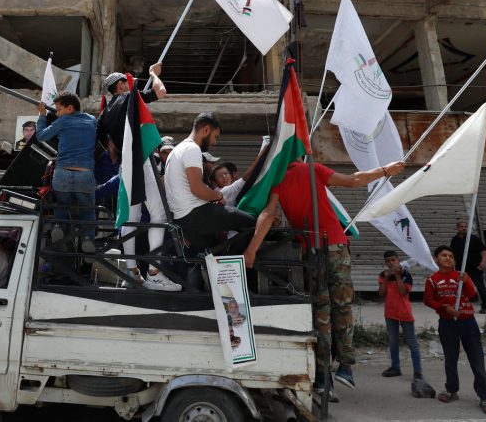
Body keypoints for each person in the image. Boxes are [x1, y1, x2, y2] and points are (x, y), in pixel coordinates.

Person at [243, 159, 405, 391]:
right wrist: (386, 170)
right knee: (342, 306)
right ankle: (345, 368)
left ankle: (322, 376)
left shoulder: (276, 178)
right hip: (336, 246)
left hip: (312, 251)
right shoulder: (312, 169)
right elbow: (354, 180)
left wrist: (252, 249)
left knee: (321, 311)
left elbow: (268, 214)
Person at [97, 64, 178, 291]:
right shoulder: (130, 97)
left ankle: (131, 273)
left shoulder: (105, 113)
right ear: (121, 85)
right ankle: (154, 272)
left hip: (126, 164)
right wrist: (154, 74)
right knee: (158, 213)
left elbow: (105, 145)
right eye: (126, 81)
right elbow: (161, 91)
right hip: (141, 159)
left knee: (130, 217)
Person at [165, 113, 257, 255]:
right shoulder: (192, 149)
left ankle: (223, 268)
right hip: (196, 214)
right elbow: (198, 189)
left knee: (213, 253)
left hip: (183, 217)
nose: (214, 142)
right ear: (206, 130)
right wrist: (219, 196)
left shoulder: (176, 151)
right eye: (215, 136)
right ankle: (234, 262)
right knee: (253, 224)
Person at [424, 245, 486, 416]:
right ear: (436, 259)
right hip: (447, 323)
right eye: (444, 255)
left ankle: (485, 397)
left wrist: (467, 281)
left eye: (451, 256)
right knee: (450, 358)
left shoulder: (461, 276)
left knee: (476, 360)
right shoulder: (432, 279)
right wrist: (444, 307)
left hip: (467, 322)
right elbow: (428, 300)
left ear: (455, 260)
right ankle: (451, 390)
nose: (448, 258)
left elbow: (472, 295)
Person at [36, 91, 97, 253]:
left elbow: (41, 136)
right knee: (88, 210)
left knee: (61, 204)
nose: (56, 113)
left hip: (62, 172)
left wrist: (42, 115)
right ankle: (87, 239)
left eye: (59, 109)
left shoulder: (63, 121)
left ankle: (58, 225)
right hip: (85, 173)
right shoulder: (92, 120)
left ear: (70, 108)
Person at [378, 250, 422, 380]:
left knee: (411, 342)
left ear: (398, 261)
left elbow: (403, 292)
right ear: (385, 263)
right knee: (393, 341)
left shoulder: (406, 275)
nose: (391, 263)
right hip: (390, 313)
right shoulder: (382, 275)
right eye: (388, 261)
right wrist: (386, 278)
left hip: (404, 313)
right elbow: (381, 293)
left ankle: (418, 371)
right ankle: (395, 367)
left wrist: (397, 276)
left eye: (393, 260)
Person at [450, 219, 486, 314]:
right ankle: (460, 306)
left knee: (480, 287)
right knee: (460, 287)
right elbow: (452, 253)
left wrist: (483, 261)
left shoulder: (473, 238)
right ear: (457, 228)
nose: (464, 228)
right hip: (461, 268)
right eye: (461, 226)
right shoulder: (454, 240)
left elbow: (484, 250)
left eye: (465, 226)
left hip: (474, 266)